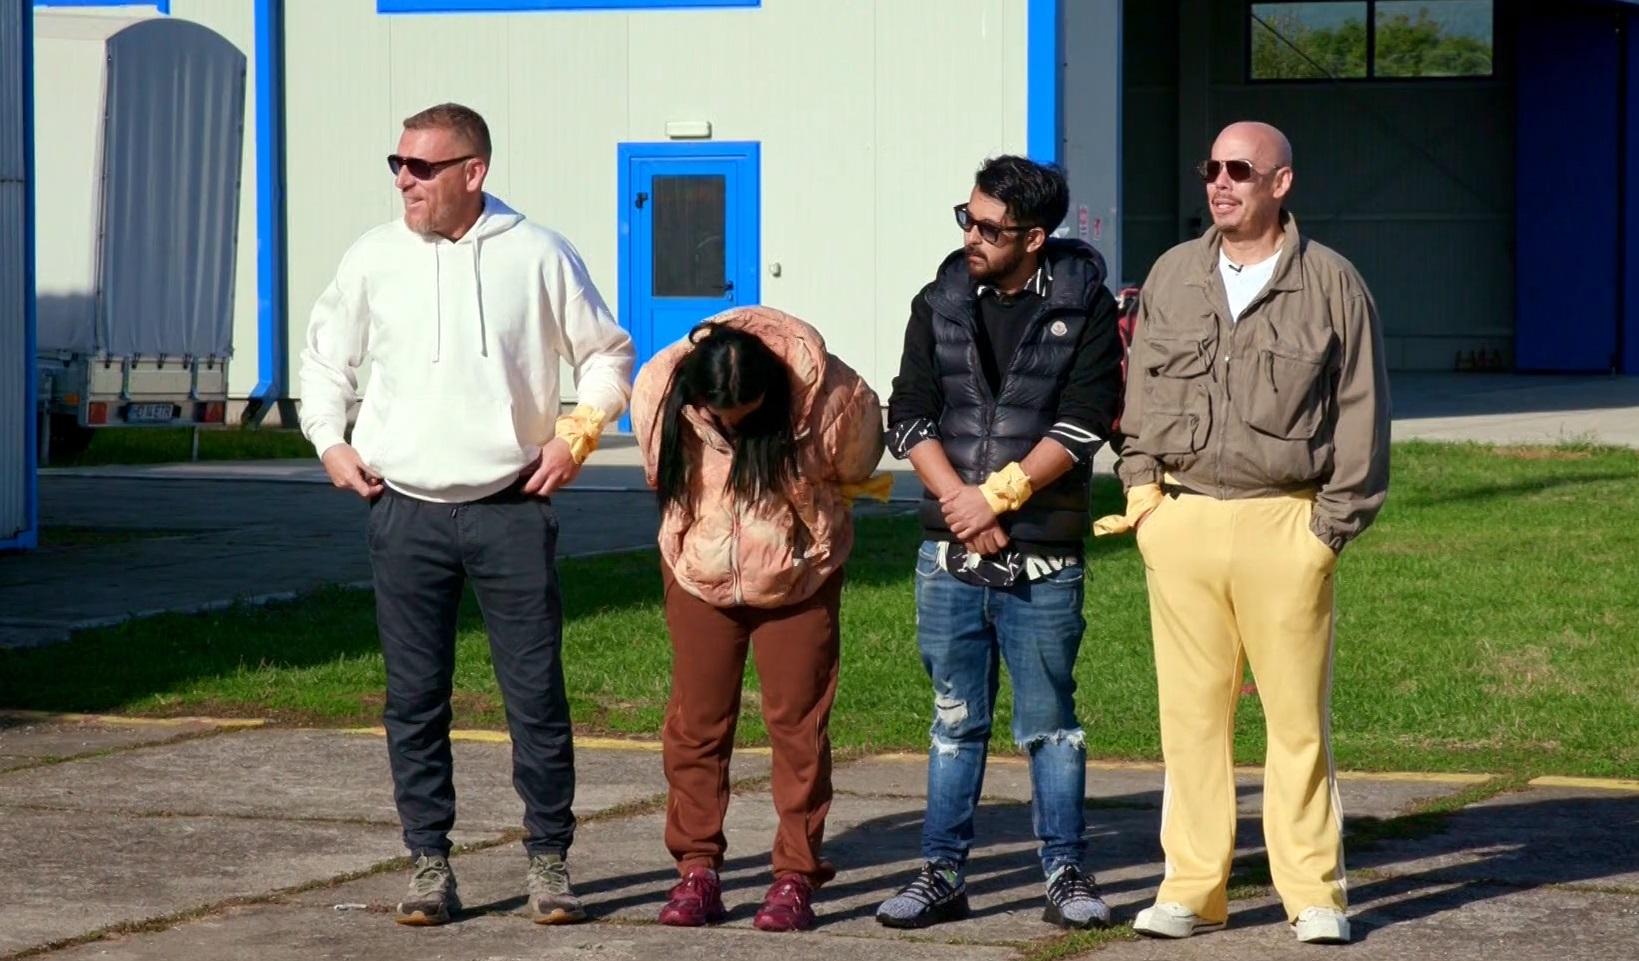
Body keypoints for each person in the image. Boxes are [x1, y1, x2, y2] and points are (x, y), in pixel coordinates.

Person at [299, 102, 635, 927]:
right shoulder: (373, 257)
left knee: (534, 695)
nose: (404, 181)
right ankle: (429, 863)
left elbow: (606, 353)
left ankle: (548, 859)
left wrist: (577, 436)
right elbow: (324, 359)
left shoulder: (537, 253)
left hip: (510, 510)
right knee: (414, 699)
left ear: (473, 171)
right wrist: (329, 441)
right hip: (403, 510)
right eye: (397, 165)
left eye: (421, 167)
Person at [1094, 120, 1390, 945]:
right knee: (1189, 720)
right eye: (1211, 169)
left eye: (1238, 170)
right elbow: (1138, 397)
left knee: (1296, 723)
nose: (1219, 183)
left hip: (1285, 522)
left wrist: (1326, 531)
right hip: (1181, 520)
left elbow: (1362, 413)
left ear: (1280, 183)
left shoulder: (1331, 284)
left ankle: (1314, 891)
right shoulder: (1172, 274)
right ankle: (1191, 887)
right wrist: (1144, 498)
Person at [876, 155, 1124, 931]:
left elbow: (1084, 423)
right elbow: (906, 413)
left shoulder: (1084, 305)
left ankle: (1065, 873)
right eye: (967, 218)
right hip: (948, 549)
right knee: (953, 718)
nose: (971, 236)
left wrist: (997, 497)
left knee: (1049, 723)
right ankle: (941, 872)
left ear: (1033, 237)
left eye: (988, 227)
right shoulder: (939, 300)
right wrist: (962, 504)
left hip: (1043, 551)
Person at [630, 308, 886, 932]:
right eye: (720, 417)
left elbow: (857, 467)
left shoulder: (835, 398)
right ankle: (696, 869)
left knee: (798, 727)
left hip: (799, 577)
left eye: (747, 416)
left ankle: (795, 874)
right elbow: (659, 472)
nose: (733, 428)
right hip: (698, 572)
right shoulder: (660, 387)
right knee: (696, 725)